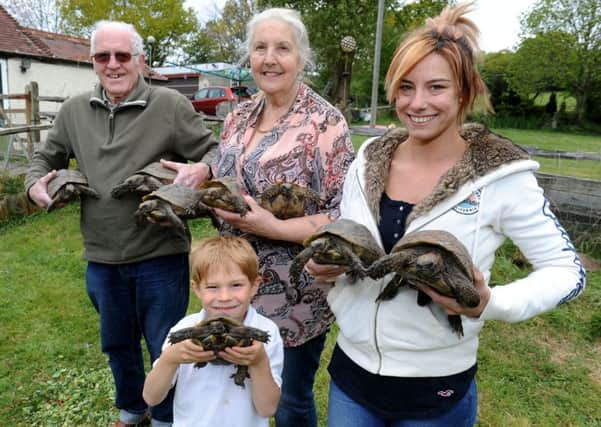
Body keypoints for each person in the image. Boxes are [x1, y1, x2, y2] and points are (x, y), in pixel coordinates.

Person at [307, 3, 586, 426]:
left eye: (435, 87)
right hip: (352, 376)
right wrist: (329, 268)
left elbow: (568, 271)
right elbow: (352, 243)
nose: (417, 103)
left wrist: (491, 303)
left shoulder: (501, 176)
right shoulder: (367, 158)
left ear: (464, 92)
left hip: (436, 389)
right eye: (405, 87)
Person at [24, 21, 217, 427]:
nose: (113, 64)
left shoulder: (168, 105)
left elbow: (214, 151)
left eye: (123, 56)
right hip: (102, 256)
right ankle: (132, 411)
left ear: (140, 61)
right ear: (92, 62)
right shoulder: (75, 111)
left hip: (160, 255)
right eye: (102, 56)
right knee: (117, 345)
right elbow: (44, 159)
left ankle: (166, 417)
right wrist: (33, 185)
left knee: (167, 345)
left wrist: (202, 168)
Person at [213, 7, 354, 427]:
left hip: (295, 293)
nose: (269, 58)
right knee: (238, 386)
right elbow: (226, 175)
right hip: (234, 285)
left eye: (282, 48)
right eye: (260, 48)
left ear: (302, 58)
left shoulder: (326, 123)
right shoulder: (238, 116)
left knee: (290, 399)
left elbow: (341, 216)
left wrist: (271, 227)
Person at [143, 236, 284, 426]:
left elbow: (268, 409)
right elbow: (151, 398)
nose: (224, 297)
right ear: (197, 289)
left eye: (236, 285)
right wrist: (170, 358)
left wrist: (259, 362)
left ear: (254, 286)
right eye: (212, 287)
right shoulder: (185, 329)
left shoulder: (265, 331)